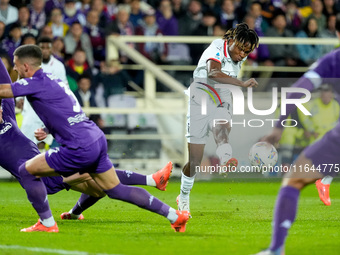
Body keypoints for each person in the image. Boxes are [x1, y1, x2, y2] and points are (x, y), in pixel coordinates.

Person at [0, 44, 190, 232]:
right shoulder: (53, 79)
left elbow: (5, 91)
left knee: (26, 171)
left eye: (15, 65)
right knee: (115, 189)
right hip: (94, 137)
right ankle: (175, 215)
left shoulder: (35, 82)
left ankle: (47, 224)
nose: (14, 68)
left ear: (26, 66)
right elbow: (66, 109)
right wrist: (49, 129)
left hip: (77, 146)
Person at [253, 15, 340, 255]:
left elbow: (299, 90)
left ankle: (276, 249)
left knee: (294, 178)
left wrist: (279, 126)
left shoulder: (333, 60)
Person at [177, 23, 259, 212]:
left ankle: (225, 159)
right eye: (240, 48)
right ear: (231, 41)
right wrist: (241, 83)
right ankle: (183, 196)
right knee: (195, 162)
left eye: (246, 52)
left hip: (222, 96)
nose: (242, 54)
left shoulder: (239, 56)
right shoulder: (216, 46)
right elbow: (213, 72)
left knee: (221, 127)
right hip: (199, 98)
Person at [20, 37, 67, 152]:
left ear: (51, 49)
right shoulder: (28, 65)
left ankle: (39, 168)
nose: (45, 50)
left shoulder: (58, 66)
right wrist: (19, 99)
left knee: (43, 142)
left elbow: (64, 88)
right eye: (42, 48)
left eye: (48, 48)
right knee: (26, 143)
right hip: (31, 109)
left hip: (50, 109)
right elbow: (21, 83)